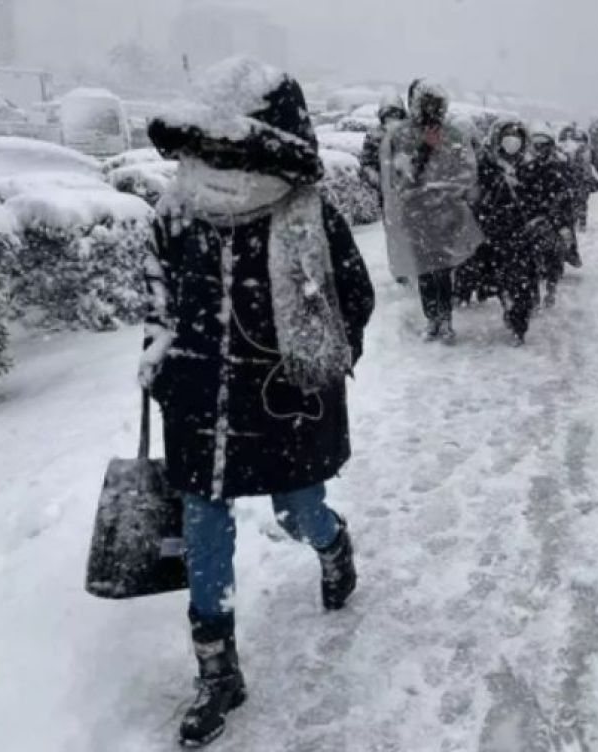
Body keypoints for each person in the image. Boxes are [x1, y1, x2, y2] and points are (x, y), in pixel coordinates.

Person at [142, 56, 375, 748]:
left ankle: (333, 545)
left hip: (281, 403)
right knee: (205, 526)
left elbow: (352, 300)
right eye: (210, 144)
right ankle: (217, 670)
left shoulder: (306, 214)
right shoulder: (177, 210)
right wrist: (160, 360)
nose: (219, 157)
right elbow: (157, 295)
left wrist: (315, 365)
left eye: (233, 144)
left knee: (297, 510)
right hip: (199, 402)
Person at [381, 79, 481, 341]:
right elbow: (396, 175)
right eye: (425, 104)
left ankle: (445, 319)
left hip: (446, 214)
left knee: (443, 269)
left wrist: (444, 190)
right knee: (424, 269)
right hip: (416, 214)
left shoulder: (454, 135)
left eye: (435, 105)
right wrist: (419, 156)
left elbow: (467, 172)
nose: (430, 111)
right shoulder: (402, 135)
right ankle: (432, 318)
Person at [474, 118, 536, 344]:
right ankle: (509, 309)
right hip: (495, 234)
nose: (511, 141)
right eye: (507, 136)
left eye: (515, 137)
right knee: (502, 279)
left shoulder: (530, 166)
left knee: (522, 282)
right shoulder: (487, 165)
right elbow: (478, 197)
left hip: (524, 235)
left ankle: (519, 321)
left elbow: (538, 198)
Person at [520, 125, 574, 309]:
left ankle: (551, 290)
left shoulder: (560, 168)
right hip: (532, 221)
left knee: (554, 258)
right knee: (529, 262)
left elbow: (566, 197)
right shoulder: (526, 168)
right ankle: (533, 296)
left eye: (543, 145)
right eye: (536, 146)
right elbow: (520, 195)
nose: (539, 149)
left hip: (554, 221)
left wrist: (562, 223)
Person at [360, 92, 407, 198]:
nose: (392, 119)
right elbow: (366, 164)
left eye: (395, 115)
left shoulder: (408, 136)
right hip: (383, 193)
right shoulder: (374, 136)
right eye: (388, 115)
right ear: (382, 117)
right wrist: (380, 182)